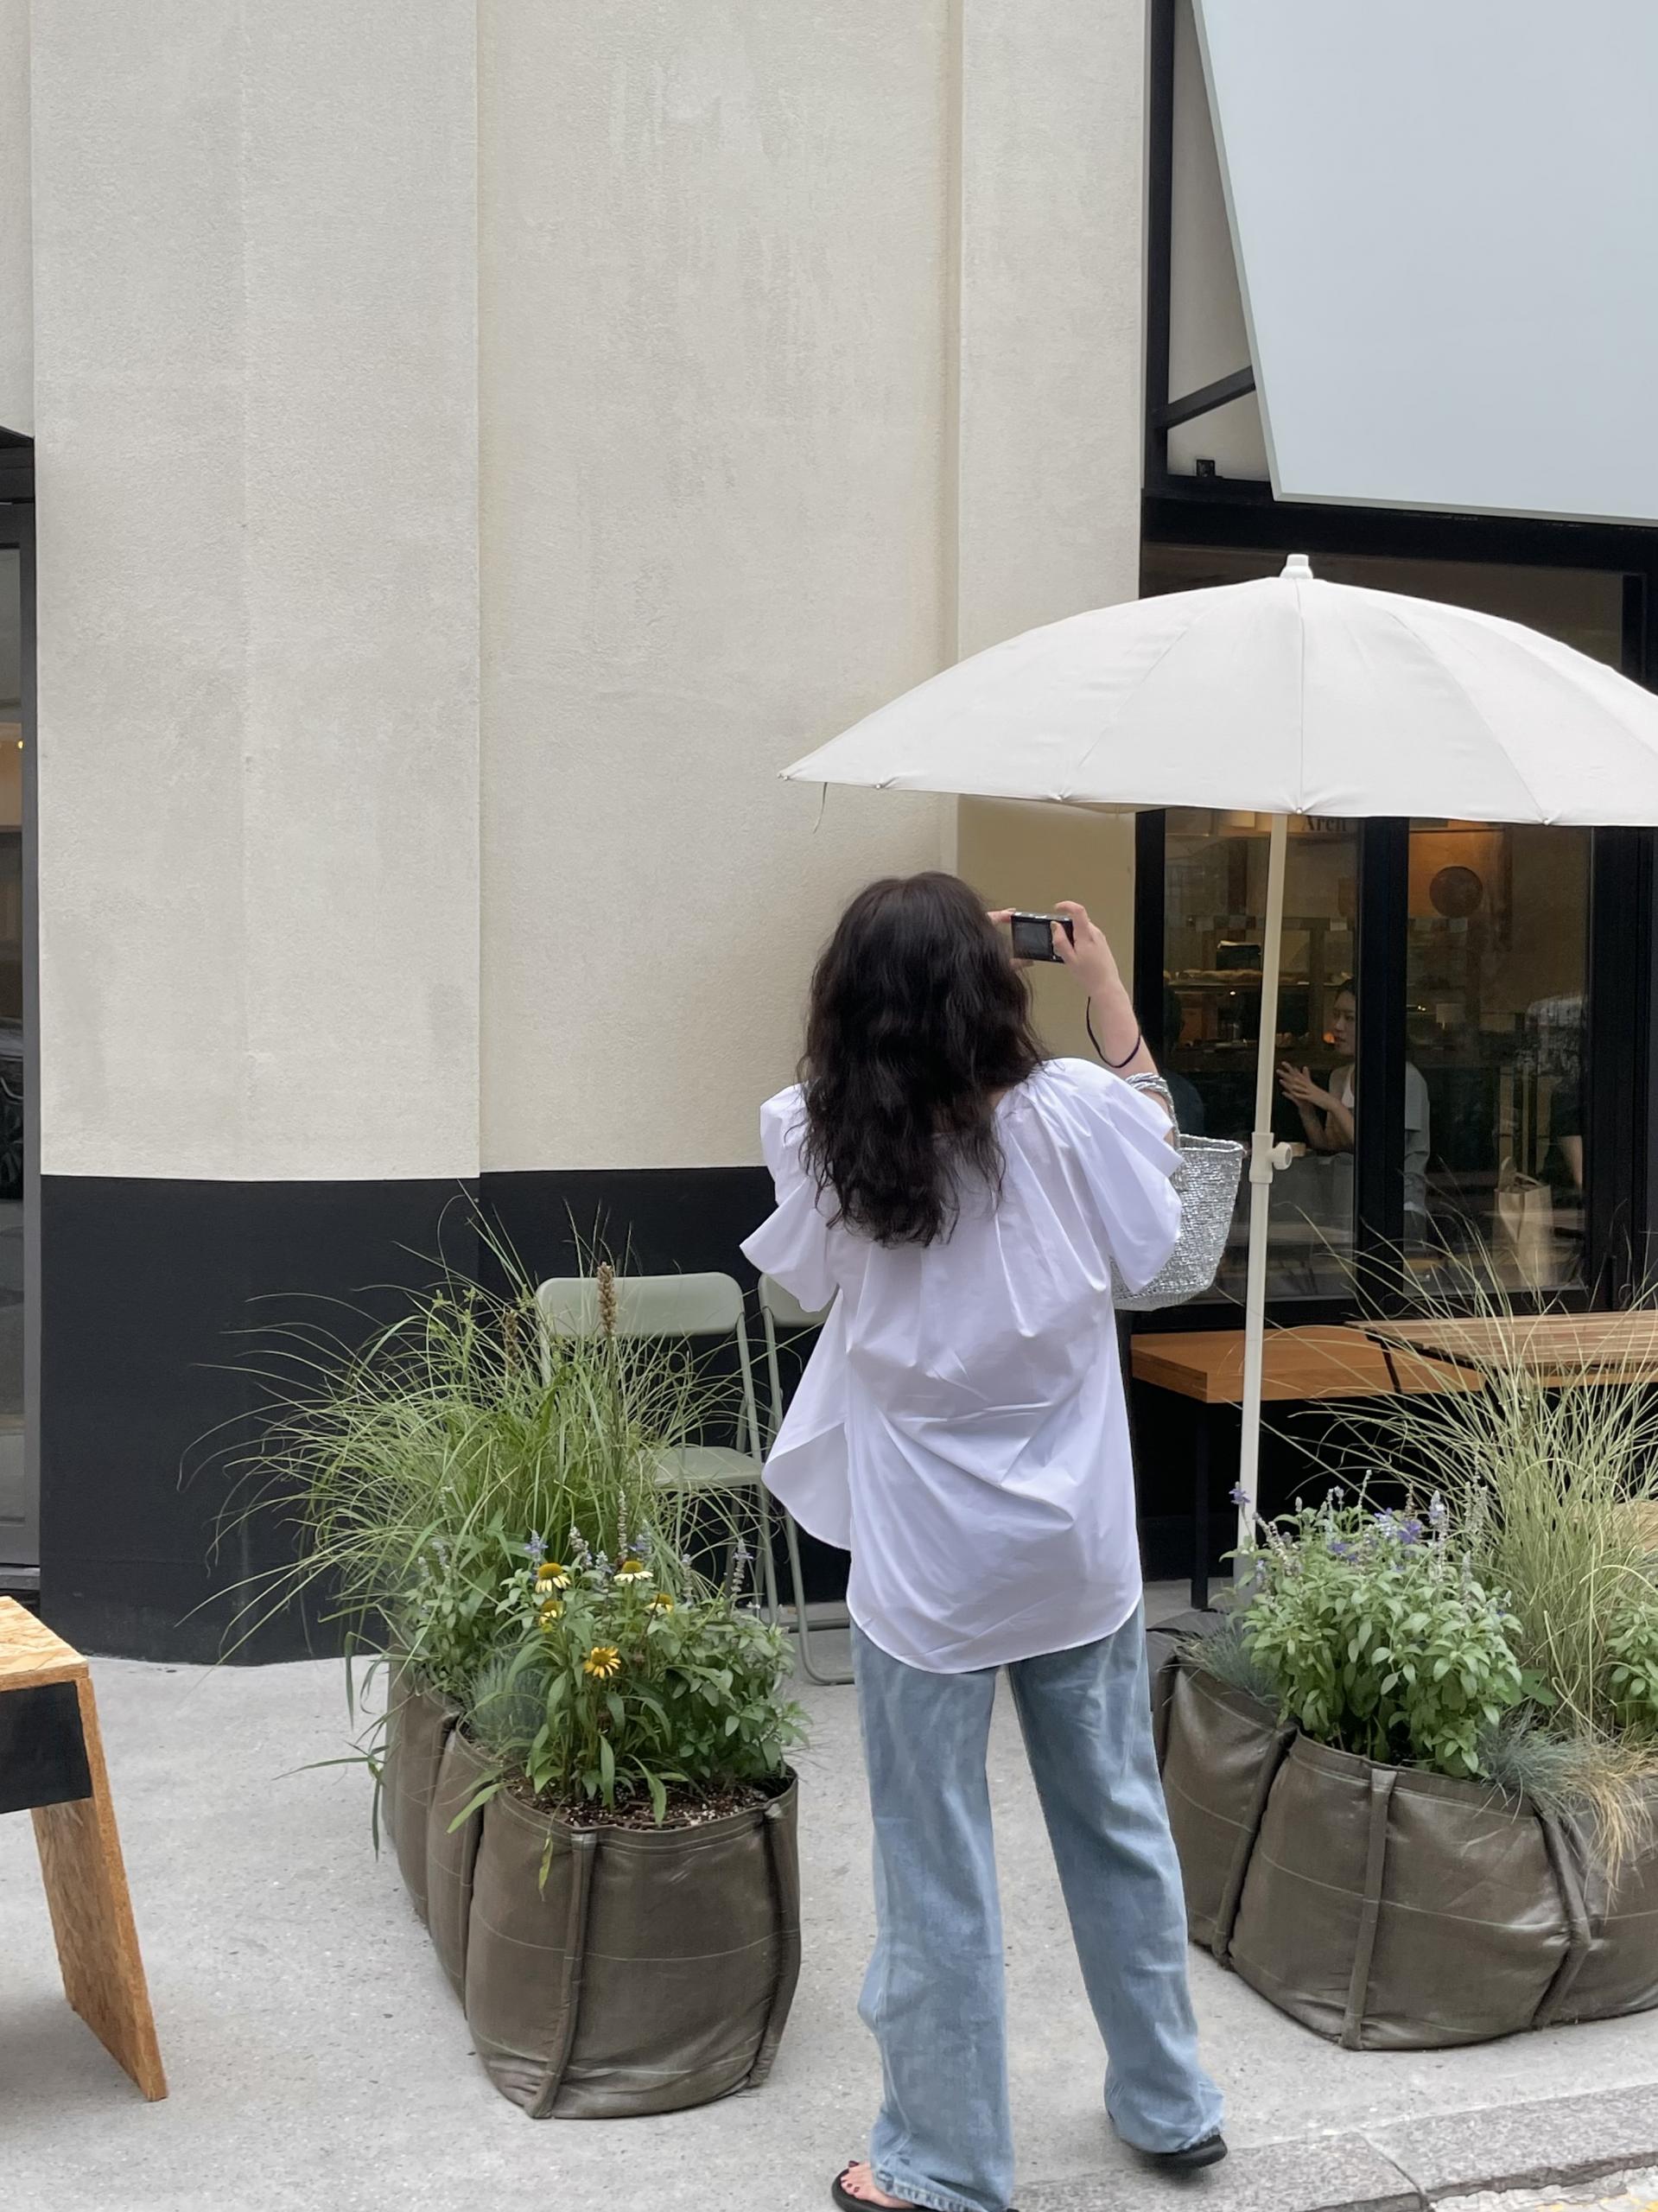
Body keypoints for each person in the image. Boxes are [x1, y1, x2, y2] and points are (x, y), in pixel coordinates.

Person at [742, 873, 1224, 2212]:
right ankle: (1169, 2101)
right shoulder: (1074, 1111)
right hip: (1075, 1542)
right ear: (994, 981)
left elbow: (806, 1284)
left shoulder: (820, 1132)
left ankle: (946, 2162)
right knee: (1117, 1819)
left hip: (924, 1562)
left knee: (931, 1856)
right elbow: (1161, 1227)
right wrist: (1105, 988)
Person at [1276, 979, 1431, 1240]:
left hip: (1399, 1210)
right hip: (1348, 1205)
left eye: (1349, 1018)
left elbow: (1379, 1154)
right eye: (1336, 1015)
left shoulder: (1405, 1078)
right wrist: (1307, 1110)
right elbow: (1329, 1144)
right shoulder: (1339, 1076)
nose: (1337, 1027)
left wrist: (1332, 1104)